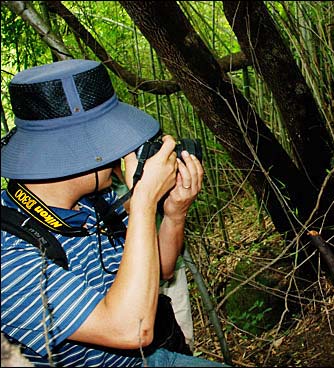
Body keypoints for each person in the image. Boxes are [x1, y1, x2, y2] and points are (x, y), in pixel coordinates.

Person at [0, 59, 225, 367]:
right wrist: (144, 200)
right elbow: (131, 330)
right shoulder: (7, 249)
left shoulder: (97, 202)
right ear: (75, 150)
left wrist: (174, 213)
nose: (122, 152)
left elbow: (161, 270)